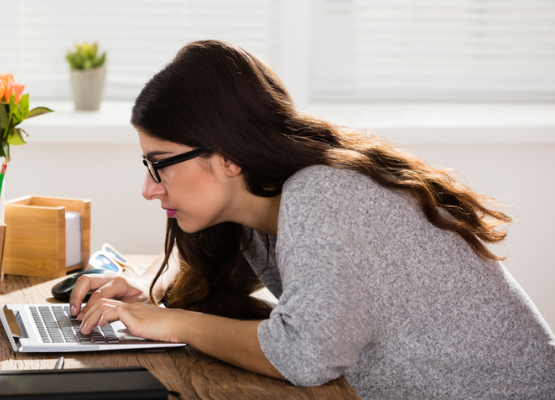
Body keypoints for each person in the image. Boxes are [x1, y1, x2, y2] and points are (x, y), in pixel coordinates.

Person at [69, 40, 555, 398]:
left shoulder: (322, 193)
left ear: (229, 156)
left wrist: (173, 321)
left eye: (161, 163)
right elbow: (244, 304)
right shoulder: (259, 216)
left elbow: (304, 353)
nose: (149, 188)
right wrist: (145, 298)